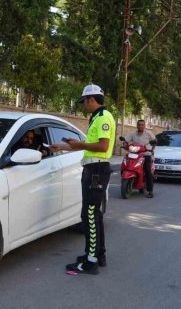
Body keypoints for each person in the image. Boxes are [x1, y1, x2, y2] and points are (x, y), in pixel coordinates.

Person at [51, 84, 115, 275]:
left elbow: (103, 146)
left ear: (91, 99)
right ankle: (97, 255)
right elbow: (88, 146)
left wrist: (79, 143)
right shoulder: (96, 117)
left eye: (84, 101)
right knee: (94, 214)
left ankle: (91, 262)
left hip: (96, 169)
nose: (83, 105)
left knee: (89, 214)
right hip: (93, 167)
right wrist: (61, 147)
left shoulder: (104, 117)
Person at [123, 119, 156, 198]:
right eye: (139, 125)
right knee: (126, 165)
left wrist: (152, 149)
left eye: (142, 125)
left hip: (146, 155)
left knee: (148, 171)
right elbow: (126, 141)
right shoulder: (133, 133)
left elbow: (154, 141)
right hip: (134, 154)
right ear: (137, 125)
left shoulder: (149, 133)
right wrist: (125, 144)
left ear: (144, 126)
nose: (140, 126)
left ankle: (150, 191)